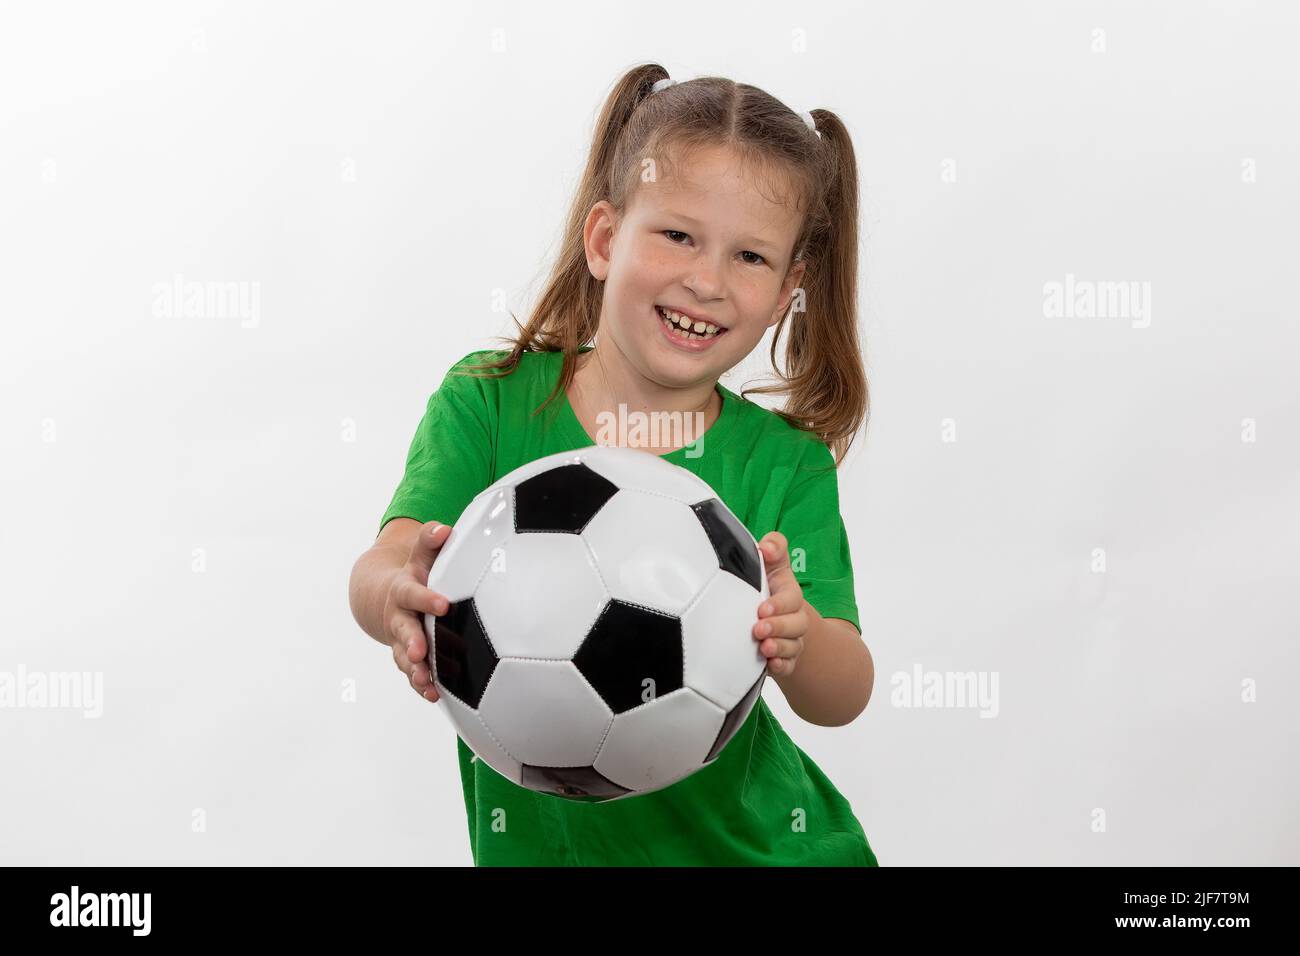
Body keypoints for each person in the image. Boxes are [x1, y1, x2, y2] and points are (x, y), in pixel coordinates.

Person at [348, 63, 877, 865]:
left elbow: (845, 694)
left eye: (751, 258)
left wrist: (800, 640)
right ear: (605, 239)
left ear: (786, 291)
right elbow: (383, 564)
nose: (706, 282)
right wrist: (393, 590)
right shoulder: (488, 405)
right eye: (678, 236)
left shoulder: (784, 464)